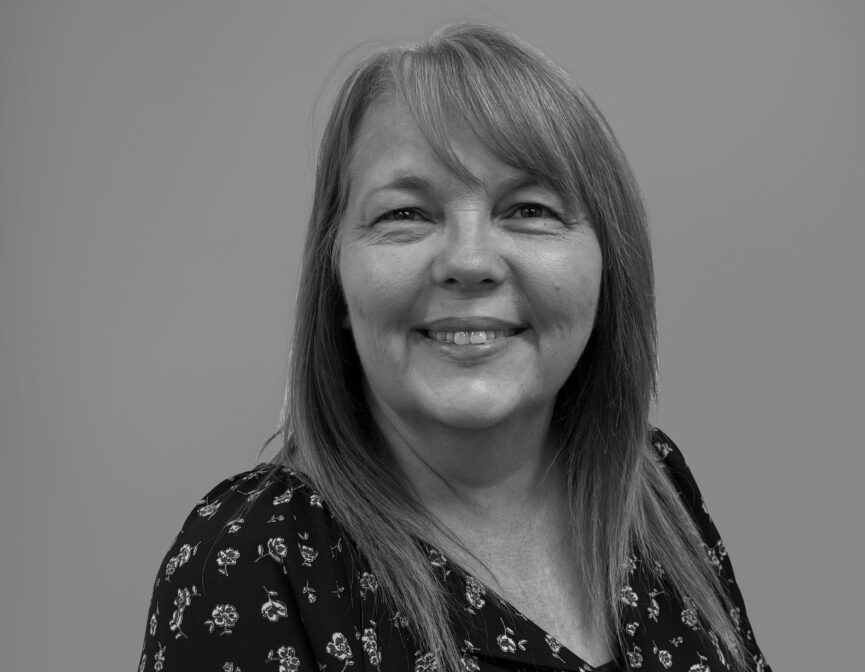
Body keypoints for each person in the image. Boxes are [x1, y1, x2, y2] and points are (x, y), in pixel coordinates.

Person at [138, 23, 771, 672]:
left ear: (609, 267)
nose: (469, 262)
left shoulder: (654, 488)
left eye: (528, 209)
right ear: (336, 282)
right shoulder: (253, 559)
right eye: (404, 214)